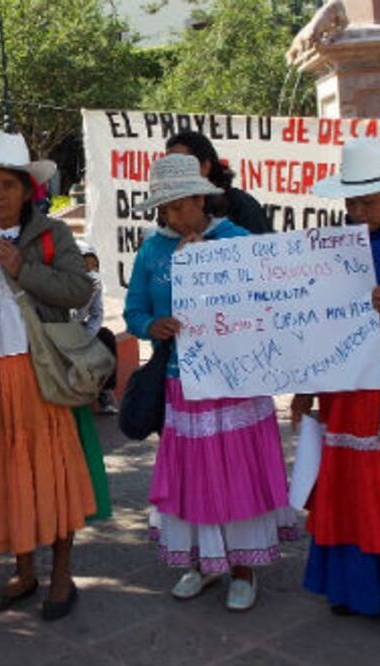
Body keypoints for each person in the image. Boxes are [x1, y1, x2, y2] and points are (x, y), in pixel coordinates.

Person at [124, 154, 296, 612]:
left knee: (238, 470)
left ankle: (243, 568)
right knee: (195, 476)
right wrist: (152, 326)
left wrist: (207, 265)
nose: (172, 216)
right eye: (165, 209)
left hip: (236, 379)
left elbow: (263, 302)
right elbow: (134, 309)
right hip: (184, 381)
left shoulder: (236, 240)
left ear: (202, 198)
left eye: (180, 206)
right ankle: (201, 562)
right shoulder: (152, 250)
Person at [0, 129, 98, 621]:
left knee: (50, 474)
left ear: (26, 191)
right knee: (8, 474)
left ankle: (60, 574)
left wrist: (21, 268)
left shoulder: (52, 235)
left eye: (7, 185)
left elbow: (79, 290)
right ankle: (23, 570)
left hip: (41, 375)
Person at [291, 137, 380, 635]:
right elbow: (314, 321)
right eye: (352, 201)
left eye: (369, 201)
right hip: (343, 389)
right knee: (346, 487)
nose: (359, 211)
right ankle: (351, 586)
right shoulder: (330, 248)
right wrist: (305, 386)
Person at [165, 131, 272, 234]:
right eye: (168, 167)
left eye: (180, 165)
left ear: (205, 167)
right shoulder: (168, 206)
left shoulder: (241, 205)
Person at [73, 240, 119, 414]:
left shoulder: (95, 284)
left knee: (106, 337)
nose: (91, 270)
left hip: (80, 328)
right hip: (60, 327)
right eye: (86, 265)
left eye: (94, 265)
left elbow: (97, 314)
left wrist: (88, 336)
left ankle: (104, 392)